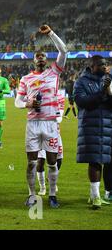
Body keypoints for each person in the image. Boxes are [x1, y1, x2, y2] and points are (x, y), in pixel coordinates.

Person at [15, 25, 67, 209]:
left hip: (50, 124)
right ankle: (31, 195)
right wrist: (27, 104)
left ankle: (52, 195)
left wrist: (51, 33)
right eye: (37, 57)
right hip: (33, 124)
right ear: (33, 61)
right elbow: (17, 102)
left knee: (52, 162)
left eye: (43, 57)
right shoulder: (25, 79)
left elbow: (64, 50)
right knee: (31, 163)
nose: (40, 59)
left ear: (47, 60)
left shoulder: (55, 71)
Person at [74, 55, 112, 209]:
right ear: (92, 66)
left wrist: (108, 90)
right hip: (90, 126)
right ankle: (95, 196)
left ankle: (104, 192)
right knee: (94, 161)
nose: (105, 67)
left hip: (108, 126)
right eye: (101, 64)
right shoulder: (81, 82)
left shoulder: (109, 80)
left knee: (108, 160)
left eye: (106, 64)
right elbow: (83, 102)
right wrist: (102, 91)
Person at [36, 92, 64, 196]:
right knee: (40, 161)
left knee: (58, 160)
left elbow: (59, 118)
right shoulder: (38, 95)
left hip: (55, 134)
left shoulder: (60, 96)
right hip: (40, 134)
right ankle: (42, 187)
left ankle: (52, 179)